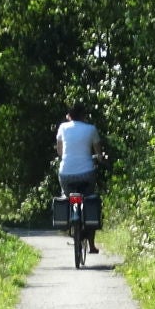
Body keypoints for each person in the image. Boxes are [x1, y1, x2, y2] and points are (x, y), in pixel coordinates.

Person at [55, 106, 104, 250]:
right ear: (83, 116)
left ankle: (70, 218)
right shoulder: (91, 129)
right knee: (90, 200)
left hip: (66, 174)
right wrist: (100, 158)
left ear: (69, 116)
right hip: (86, 174)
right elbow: (99, 154)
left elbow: (59, 152)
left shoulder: (62, 127)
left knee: (67, 196)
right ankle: (92, 245)